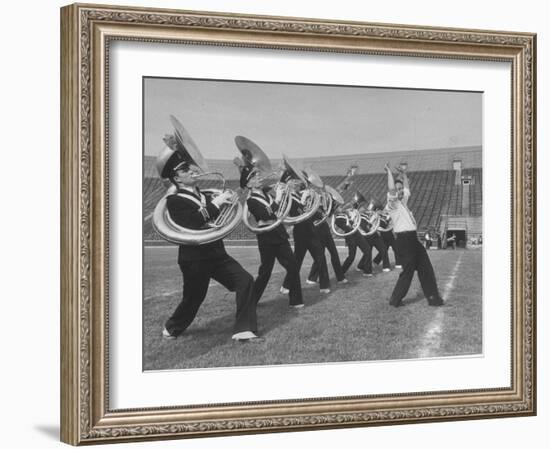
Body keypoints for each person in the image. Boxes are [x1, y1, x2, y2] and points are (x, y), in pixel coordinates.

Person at [158, 124, 259, 342]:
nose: (192, 171)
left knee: (245, 280)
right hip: (194, 258)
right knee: (194, 299)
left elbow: (214, 214)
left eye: (190, 168)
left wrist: (228, 201)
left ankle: (243, 329)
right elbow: (194, 222)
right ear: (176, 178)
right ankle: (172, 327)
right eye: (185, 170)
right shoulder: (173, 201)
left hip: (216, 253)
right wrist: (216, 204)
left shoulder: (204, 194)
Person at [239, 161, 304, 309]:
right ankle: (252, 300)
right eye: (254, 176)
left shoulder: (266, 193)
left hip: (279, 234)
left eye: (258, 174)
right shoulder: (251, 201)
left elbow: (277, 208)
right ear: (248, 184)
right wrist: (279, 198)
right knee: (265, 272)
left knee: (293, 266)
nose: (259, 177)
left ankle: (296, 300)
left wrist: (283, 179)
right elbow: (267, 215)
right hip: (266, 237)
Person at [384, 163, 444, 307]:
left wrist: (404, 174)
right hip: (404, 240)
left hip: (413, 239)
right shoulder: (392, 204)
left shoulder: (403, 201)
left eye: (400, 190)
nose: (399, 191)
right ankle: (395, 299)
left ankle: (433, 298)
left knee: (426, 268)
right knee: (408, 272)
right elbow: (391, 188)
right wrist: (389, 172)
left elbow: (406, 187)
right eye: (397, 190)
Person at [281, 175, 331, 294]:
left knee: (320, 257)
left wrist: (319, 211)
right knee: (297, 261)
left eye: (296, 181)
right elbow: (298, 212)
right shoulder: (288, 197)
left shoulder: (299, 195)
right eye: (293, 181)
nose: (297, 183)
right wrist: (304, 200)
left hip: (310, 230)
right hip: (300, 231)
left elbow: (309, 212)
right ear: (287, 184)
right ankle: (286, 286)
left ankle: (324, 285)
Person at [307, 193, 347, 285]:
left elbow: (331, 213)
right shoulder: (312, 207)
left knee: (334, 253)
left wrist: (333, 205)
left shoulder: (323, 206)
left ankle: (340, 277)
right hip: (317, 231)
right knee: (320, 255)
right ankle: (312, 278)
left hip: (325, 229)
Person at [334, 205, 373, 277]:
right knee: (351, 256)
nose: (341, 208)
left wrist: (352, 214)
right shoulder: (338, 219)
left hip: (356, 234)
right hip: (350, 236)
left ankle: (367, 272)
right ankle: (341, 272)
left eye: (340, 206)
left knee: (367, 250)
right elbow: (347, 228)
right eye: (339, 207)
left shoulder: (347, 214)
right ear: (336, 210)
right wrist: (351, 218)